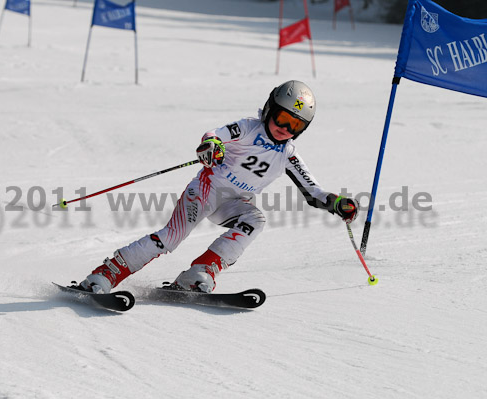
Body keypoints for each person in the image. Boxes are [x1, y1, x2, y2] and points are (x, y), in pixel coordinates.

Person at [78, 80, 359, 294]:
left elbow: (314, 193)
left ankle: (200, 272)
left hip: (232, 205)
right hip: (204, 190)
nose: (285, 128)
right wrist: (212, 146)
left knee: (255, 220)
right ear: (270, 110)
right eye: (282, 118)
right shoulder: (249, 128)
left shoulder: (289, 155)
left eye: (295, 125)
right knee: (172, 237)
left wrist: (337, 203)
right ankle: (104, 275)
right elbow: (215, 135)